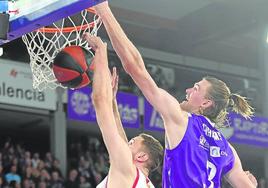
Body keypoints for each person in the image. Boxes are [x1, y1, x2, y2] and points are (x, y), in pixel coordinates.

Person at [93, 1, 257, 188]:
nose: (188, 91)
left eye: (196, 88)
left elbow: (134, 67)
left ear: (205, 103)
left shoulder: (182, 120)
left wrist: (104, 11)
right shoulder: (228, 150)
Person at [83, 33, 163, 188]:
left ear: (141, 156)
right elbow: (120, 140)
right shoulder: (146, 183)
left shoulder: (127, 170)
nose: (127, 144)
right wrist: (112, 103)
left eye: (132, 143)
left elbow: (99, 99)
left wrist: (100, 52)